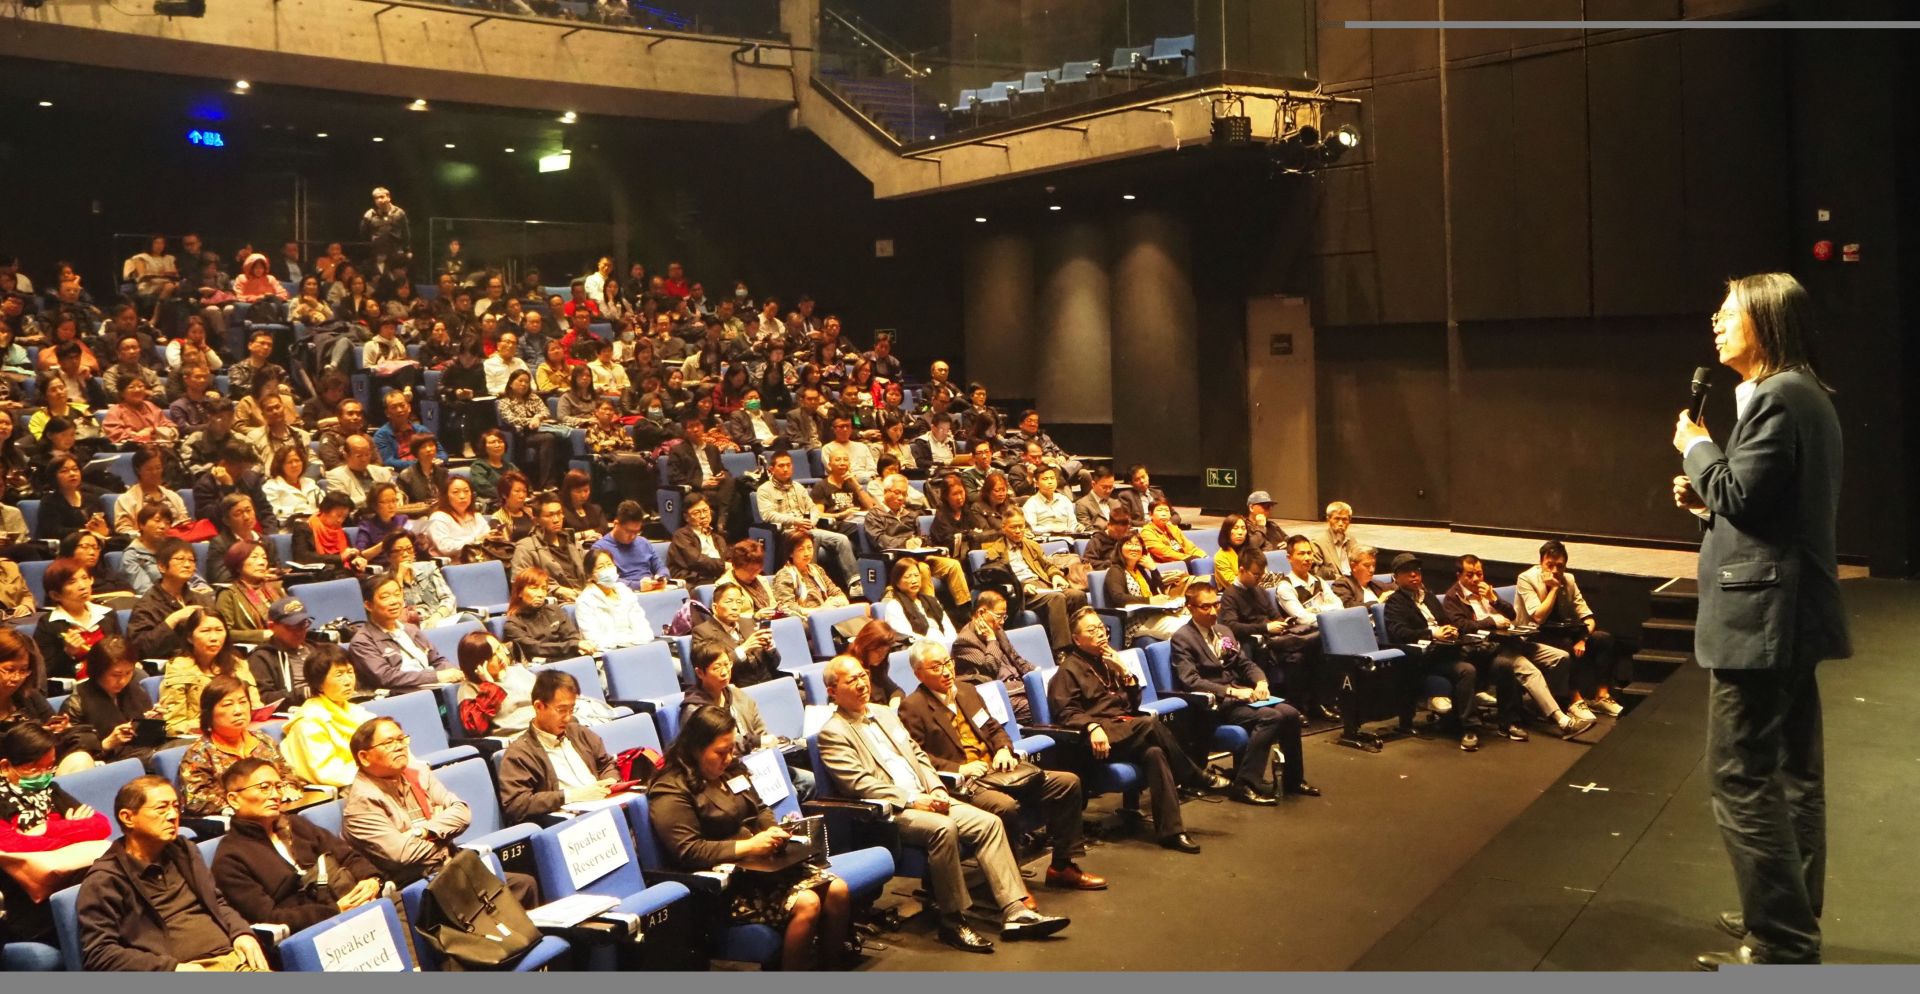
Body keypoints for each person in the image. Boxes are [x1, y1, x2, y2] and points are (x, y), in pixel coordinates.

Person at [1670, 272, 1849, 970]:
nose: (1715, 322)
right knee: (1793, 773)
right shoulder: (1804, 395)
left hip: (1763, 620)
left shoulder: (1777, 396)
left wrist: (1697, 446)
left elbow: (1741, 491)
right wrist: (1707, 501)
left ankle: (1781, 943)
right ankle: (1790, 913)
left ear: (1767, 320)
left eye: (1729, 311)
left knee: (1741, 776)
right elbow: (1765, 505)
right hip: (1790, 613)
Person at [815, 656, 1067, 953]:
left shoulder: (884, 713)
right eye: (851, 681)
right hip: (894, 810)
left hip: (929, 794)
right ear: (832, 691)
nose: (862, 684)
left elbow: (918, 755)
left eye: (863, 676)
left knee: (989, 823)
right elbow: (858, 783)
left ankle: (1015, 911)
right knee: (944, 828)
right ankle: (953, 921)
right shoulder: (833, 733)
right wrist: (913, 799)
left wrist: (935, 786)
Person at [647, 706, 852, 970]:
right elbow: (688, 850)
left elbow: (761, 808)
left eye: (731, 749)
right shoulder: (671, 787)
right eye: (720, 752)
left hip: (764, 869)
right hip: (725, 885)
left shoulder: (732, 769)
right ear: (696, 748)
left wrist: (771, 831)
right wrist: (749, 845)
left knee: (838, 891)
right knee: (808, 902)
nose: (729, 757)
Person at [897, 641, 1104, 890]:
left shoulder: (966, 691)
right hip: (965, 782)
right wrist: (959, 769)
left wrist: (1004, 749)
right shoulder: (912, 707)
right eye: (936, 667)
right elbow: (917, 757)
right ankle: (1009, 885)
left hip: (998, 770)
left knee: (1067, 783)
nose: (946, 671)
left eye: (948, 663)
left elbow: (994, 728)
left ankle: (1062, 867)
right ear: (918, 674)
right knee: (1004, 806)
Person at [76, 776, 273, 971]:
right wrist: (172, 969)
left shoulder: (184, 850)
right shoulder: (105, 879)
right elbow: (99, 954)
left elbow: (216, 902)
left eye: (175, 807)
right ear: (128, 817)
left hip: (234, 959)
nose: (172, 816)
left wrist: (241, 933)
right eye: (161, 808)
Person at [340, 717, 539, 905]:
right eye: (389, 742)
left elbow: (462, 812)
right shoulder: (362, 803)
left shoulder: (417, 773)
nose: (400, 746)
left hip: (452, 869)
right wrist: (444, 833)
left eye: (401, 739)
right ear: (364, 757)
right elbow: (404, 854)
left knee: (524, 885)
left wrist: (422, 832)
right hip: (417, 888)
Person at [1170, 582, 1317, 803]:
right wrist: (1231, 692)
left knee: (1291, 713)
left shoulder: (1223, 631)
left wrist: (1261, 682)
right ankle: (1245, 785)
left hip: (1242, 697)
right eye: (1205, 607)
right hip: (1216, 705)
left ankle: (1293, 780)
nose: (1213, 611)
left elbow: (1244, 664)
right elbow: (1191, 681)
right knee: (1271, 717)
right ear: (1190, 607)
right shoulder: (1183, 638)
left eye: (1216, 605)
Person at [210, 756, 384, 933]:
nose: (275, 795)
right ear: (234, 799)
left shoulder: (296, 825)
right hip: (313, 932)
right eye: (264, 787)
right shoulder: (230, 858)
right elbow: (268, 917)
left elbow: (348, 855)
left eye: (278, 787)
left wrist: (372, 879)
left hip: (357, 907)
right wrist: (335, 911)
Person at [1442, 556, 1595, 741]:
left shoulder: (1487, 591)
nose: (1476, 579)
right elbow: (1462, 626)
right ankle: (1563, 722)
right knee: (1530, 671)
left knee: (1561, 657)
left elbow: (1512, 614)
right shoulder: (1453, 597)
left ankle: (1539, 707)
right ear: (1459, 575)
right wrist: (1492, 621)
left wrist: (1494, 599)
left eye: (1479, 574)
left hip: (1512, 641)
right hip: (1489, 650)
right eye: (1470, 575)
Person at [0, 723, 112, 960]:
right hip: (30, 906)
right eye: (34, 769)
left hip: (75, 885)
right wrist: (75, 831)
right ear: (5, 767)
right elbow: (13, 845)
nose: (44, 776)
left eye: (49, 767)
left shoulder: (51, 790)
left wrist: (47, 828)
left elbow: (101, 825)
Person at [679, 645, 814, 801]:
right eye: (717, 668)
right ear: (700, 673)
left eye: (727, 664)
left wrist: (765, 743)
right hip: (723, 772)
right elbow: (714, 750)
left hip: (758, 763)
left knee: (810, 781)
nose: (724, 672)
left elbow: (759, 729)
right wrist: (755, 742)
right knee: (790, 793)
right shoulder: (695, 711)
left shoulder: (737, 694)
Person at [1382, 553, 1482, 753]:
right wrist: (1432, 633)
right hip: (1422, 658)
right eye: (1407, 572)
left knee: (1485, 656)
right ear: (1396, 577)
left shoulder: (1429, 597)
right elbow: (1400, 633)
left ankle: (1464, 713)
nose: (1414, 575)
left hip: (1446, 649)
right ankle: (1469, 728)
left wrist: (1451, 629)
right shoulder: (1394, 603)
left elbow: (1446, 620)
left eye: (1416, 571)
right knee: (1466, 670)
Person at [1514, 540, 1624, 721]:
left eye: (1560, 566)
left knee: (1603, 638)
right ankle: (1574, 700)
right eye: (1550, 565)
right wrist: (1554, 589)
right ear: (1541, 563)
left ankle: (1601, 696)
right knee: (1566, 644)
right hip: (1534, 635)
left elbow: (1588, 618)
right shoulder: (1526, 579)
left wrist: (1584, 639)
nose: (1555, 571)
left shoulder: (1569, 580)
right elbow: (1538, 617)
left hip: (1563, 632)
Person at [497, 669, 620, 824]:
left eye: (571, 709)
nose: (568, 718)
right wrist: (571, 796)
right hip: (570, 823)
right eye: (561, 710)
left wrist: (610, 782)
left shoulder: (579, 732)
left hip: (604, 807)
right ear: (539, 706)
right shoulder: (519, 753)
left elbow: (606, 764)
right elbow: (516, 804)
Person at [176, 675, 302, 819]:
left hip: (276, 813)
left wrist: (285, 790)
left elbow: (288, 775)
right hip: (235, 822)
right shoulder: (199, 754)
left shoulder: (264, 740)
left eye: (243, 702)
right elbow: (196, 799)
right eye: (227, 704)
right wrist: (244, 805)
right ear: (209, 713)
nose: (238, 711)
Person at [866, 473, 972, 606]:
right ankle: (931, 609)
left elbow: (919, 536)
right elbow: (879, 540)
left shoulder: (910, 515)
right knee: (922, 569)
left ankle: (964, 608)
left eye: (904, 494)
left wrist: (922, 542)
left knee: (953, 565)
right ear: (886, 492)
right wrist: (905, 543)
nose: (901, 498)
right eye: (897, 493)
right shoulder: (874, 515)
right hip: (898, 562)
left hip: (919, 557)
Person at [757, 450, 859, 588]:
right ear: (771, 469)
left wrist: (811, 522)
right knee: (811, 537)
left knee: (842, 539)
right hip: (786, 532)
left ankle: (854, 584)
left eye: (788, 465)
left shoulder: (798, 487)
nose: (785, 469)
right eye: (781, 466)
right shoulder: (764, 490)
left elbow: (813, 509)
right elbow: (768, 515)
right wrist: (795, 521)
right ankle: (810, 583)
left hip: (808, 528)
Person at [986, 513, 1087, 651]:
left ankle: (1083, 643)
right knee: (1057, 598)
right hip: (1022, 593)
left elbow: (1048, 565)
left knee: (1077, 595)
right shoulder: (994, 551)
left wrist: (1055, 575)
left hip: (1043, 584)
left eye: (1021, 526)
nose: (1018, 531)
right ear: (1004, 528)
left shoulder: (1032, 545)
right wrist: (1021, 586)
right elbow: (998, 579)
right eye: (1013, 527)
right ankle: (1063, 650)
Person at [278, 647, 375, 791]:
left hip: (370, 776)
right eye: (339, 675)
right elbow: (328, 772)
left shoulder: (358, 712)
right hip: (349, 787)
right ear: (319, 684)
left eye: (350, 672)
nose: (348, 681)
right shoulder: (308, 722)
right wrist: (377, 770)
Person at [346, 574, 463, 691]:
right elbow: (386, 677)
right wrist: (436, 676)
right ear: (368, 605)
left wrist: (455, 673)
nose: (394, 601)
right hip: (402, 693)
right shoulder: (362, 642)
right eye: (385, 597)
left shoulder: (410, 629)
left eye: (397, 595)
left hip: (433, 686)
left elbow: (437, 660)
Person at [59, 638, 164, 764]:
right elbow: (73, 758)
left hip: (143, 754)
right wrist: (108, 743)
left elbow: (149, 740)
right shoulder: (76, 705)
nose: (123, 681)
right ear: (98, 671)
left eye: (128, 673)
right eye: (115, 675)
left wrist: (155, 722)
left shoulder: (136, 691)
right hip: (111, 763)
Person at [950, 590, 1039, 724]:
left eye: (1004, 616)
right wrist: (991, 640)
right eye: (999, 616)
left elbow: (1016, 659)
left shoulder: (998, 630)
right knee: (1041, 707)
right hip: (1002, 695)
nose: (1002, 622)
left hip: (1021, 687)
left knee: (1059, 694)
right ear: (981, 613)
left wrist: (1039, 673)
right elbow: (990, 669)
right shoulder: (964, 642)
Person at [34, 558, 124, 681]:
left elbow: (122, 650)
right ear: (55, 595)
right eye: (71, 582)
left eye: (85, 578)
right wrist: (68, 653)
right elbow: (44, 672)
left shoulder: (107, 614)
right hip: (77, 684)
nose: (82, 586)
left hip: (114, 677)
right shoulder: (48, 624)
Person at [125, 540, 212, 663]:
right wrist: (172, 620)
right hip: (170, 663)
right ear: (162, 566)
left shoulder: (201, 599)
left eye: (191, 560)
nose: (187, 565)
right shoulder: (147, 604)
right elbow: (139, 648)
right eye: (180, 559)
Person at [1103, 532, 1189, 643]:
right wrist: (1149, 600)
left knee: (1191, 622)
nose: (1134, 548)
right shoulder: (1116, 570)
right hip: (1135, 622)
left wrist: (1153, 569)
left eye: (1137, 544)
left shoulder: (1140, 570)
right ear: (1120, 548)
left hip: (1153, 615)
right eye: (1129, 544)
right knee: (1184, 630)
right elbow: (1118, 597)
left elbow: (1158, 592)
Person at [453, 632, 541, 738]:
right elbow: (476, 728)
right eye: (492, 656)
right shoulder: (469, 689)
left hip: (545, 731)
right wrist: (489, 687)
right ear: (477, 663)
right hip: (518, 740)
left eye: (499, 648)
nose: (500, 657)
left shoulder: (518, 671)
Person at [693, 584, 781, 688]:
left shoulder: (748, 623)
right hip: (736, 689)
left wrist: (770, 648)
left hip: (768, 683)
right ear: (715, 607)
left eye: (739, 602)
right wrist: (744, 648)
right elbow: (712, 669)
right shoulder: (702, 632)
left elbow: (775, 664)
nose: (735, 607)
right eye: (729, 602)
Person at [503, 567, 596, 661]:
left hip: (568, 659)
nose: (540, 594)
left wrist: (578, 645)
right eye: (534, 588)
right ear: (519, 592)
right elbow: (535, 648)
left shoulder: (555, 610)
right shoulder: (512, 624)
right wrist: (573, 645)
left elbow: (573, 637)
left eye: (543, 588)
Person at [573, 548, 656, 650]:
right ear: (590, 575)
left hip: (639, 647)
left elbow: (644, 629)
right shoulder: (585, 601)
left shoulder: (624, 590)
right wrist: (627, 641)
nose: (607, 570)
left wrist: (636, 643)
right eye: (601, 567)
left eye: (609, 564)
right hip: (609, 652)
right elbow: (594, 640)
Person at [243, 596, 315, 708]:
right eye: (292, 627)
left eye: (303, 624)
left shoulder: (316, 648)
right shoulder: (261, 658)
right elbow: (264, 698)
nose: (300, 632)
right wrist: (305, 693)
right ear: (271, 626)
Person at [770, 528, 852, 620]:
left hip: (826, 616)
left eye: (809, 548)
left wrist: (834, 604)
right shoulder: (784, 575)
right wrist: (821, 610)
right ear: (791, 553)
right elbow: (787, 608)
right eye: (801, 549)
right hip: (805, 621)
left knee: (861, 609)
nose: (807, 553)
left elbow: (838, 594)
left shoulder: (817, 570)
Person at [212, 541, 284, 647]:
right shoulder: (228, 593)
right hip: (255, 649)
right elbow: (223, 632)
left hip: (284, 642)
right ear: (237, 564)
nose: (262, 562)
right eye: (254, 557)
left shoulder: (275, 588)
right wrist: (262, 635)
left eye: (264, 558)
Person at [591, 500, 670, 591]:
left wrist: (661, 577)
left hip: (652, 588)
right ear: (616, 524)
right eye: (629, 531)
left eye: (637, 532)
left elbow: (661, 567)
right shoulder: (600, 548)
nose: (633, 536)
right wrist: (638, 586)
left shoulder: (644, 542)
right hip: (622, 593)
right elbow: (605, 580)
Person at [880, 558, 957, 647]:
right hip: (920, 649)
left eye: (916, 575)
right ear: (897, 582)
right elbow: (907, 636)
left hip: (943, 646)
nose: (914, 580)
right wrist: (935, 645)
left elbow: (948, 626)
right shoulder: (894, 606)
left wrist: (950, 644)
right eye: (907, 577)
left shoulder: (932, 600)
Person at [422, 475, 492, 563]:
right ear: (446, 496)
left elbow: (487, 538)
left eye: (466, 491)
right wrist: (476, 540)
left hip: (481, 561)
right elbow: (446, 548)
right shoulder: (438, 518)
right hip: (452, 566)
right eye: (455, 492)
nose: (462, 496)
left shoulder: (477, 516)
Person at [667, 494, 729, 585]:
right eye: (696, 513)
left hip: (717, 577)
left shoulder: (718, 538)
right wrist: (723, 566)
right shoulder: (681, 535)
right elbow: (696, 561)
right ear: (686, 517)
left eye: (705, 511)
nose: (703, 516)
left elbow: (727, 558)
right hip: (693, 580)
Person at [1140, 499, 1203, 565]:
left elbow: (1189, 547)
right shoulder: (1147, 532)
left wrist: (1203, 556)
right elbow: (1164, 553)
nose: (1164, 514)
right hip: (1168, 565)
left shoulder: (1173, 528)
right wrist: (1189, 558)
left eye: (1167, 511)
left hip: (1186, 561)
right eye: (1159, 510)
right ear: (1150, 514)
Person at [1311, 501, 1357, 580]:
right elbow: (1315, 570)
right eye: (1337, 519)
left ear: (1349, 521)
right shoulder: (1318, 542)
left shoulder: (1352, 540)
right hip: (1333, 583)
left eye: (1344, 519)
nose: (1340, 523)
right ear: (1328, 519)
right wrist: (1336, 577)